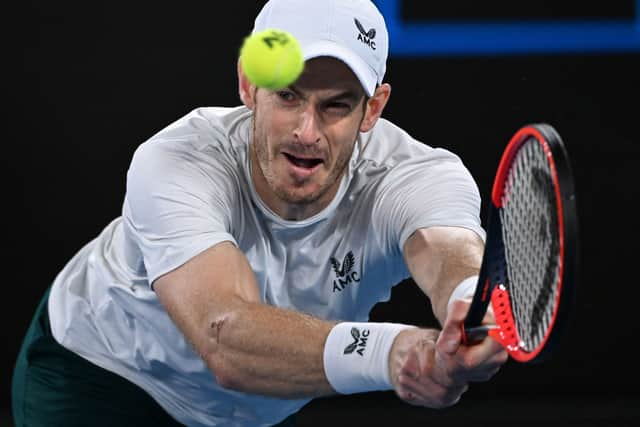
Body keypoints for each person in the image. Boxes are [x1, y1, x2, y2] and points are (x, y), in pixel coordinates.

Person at [11, 0, 508, 426]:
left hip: (253, 408)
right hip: (101, 375)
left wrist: (468, 306)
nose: (307, 132)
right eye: (288, 95)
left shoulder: (415, 175)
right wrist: (393, 351)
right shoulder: (177, 161)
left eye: (336, 105)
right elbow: (225, 338)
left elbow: (449, 251)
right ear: (249, 86)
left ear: (373, 109)